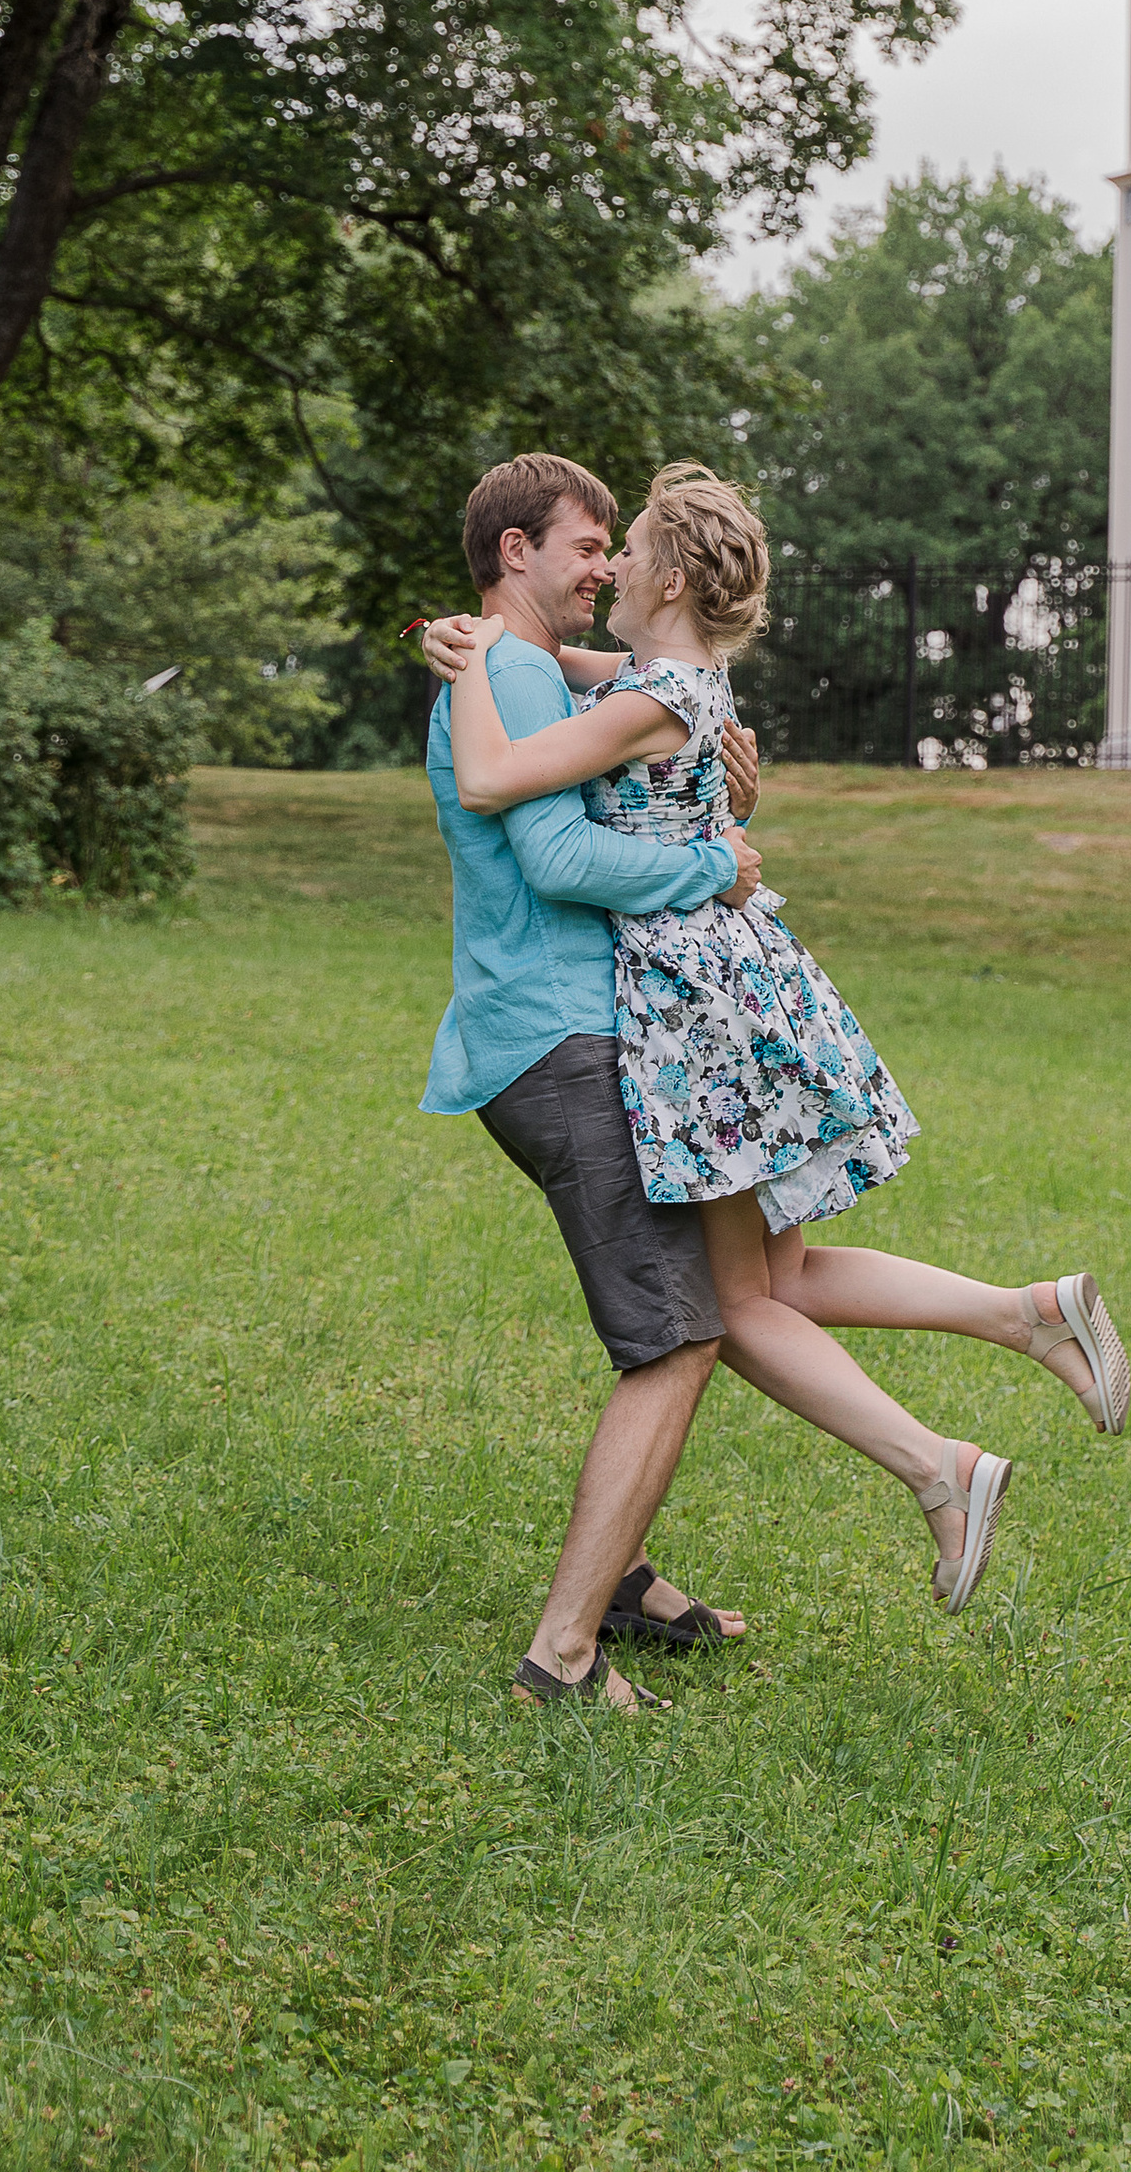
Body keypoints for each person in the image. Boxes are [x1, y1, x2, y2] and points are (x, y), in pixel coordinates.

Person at [426, 462, 1131, 1626]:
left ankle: (941, 1471)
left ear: (673, 573)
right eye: (593, 543)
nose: (610, 562)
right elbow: (549, 666)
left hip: (695, 1007)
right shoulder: (664, 680)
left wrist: (473, 668)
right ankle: (1026, 1315)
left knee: (735, 1303)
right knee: (779, 1279)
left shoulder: (659, 694)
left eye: (629, 542)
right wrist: (465, 645)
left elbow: (512, 778)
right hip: (734, 989)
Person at [420, 450, 766, 1716]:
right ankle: (561, 1657)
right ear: (516, 550)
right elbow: (559, 851)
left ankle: (622, 1585)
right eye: (584, 544)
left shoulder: (509, 665)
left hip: (555, 1033)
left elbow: (647, 687)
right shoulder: (501, 668)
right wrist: (711, 869)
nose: (605, 563)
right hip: (564, 1042)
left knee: (685, 1317)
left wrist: (703, 728)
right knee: (676, 1338)